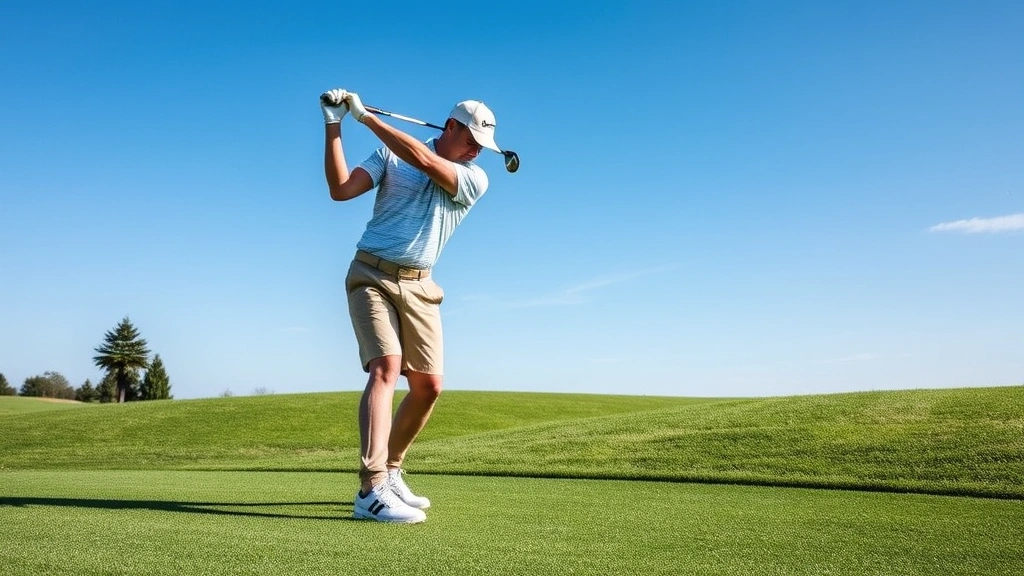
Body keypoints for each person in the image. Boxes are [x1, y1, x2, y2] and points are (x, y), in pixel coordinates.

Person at [320, 88, 501, 523]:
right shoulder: (389, 156)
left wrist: (366, 118)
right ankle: (371, 488)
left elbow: (424, 159)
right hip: (371, 275)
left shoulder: (474, 177)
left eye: (483, 146)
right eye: (472, 140)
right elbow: (341, 190)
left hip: (421, 286)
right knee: (386, 366)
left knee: (428, 386)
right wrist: (334, 124)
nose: (477, 151)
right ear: (451, 126)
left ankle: (392, 470)